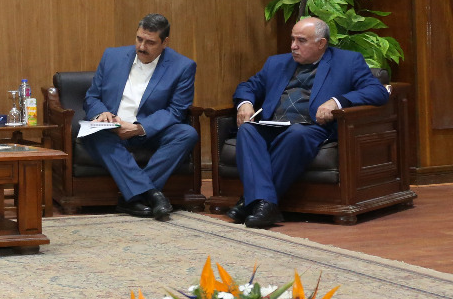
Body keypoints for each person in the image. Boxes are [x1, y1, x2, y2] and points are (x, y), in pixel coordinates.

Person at [228, 16, 389, 229]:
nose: (293, 46)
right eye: (292, 39)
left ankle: (251, 202)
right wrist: (245, 103)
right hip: (272, 124)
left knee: (296, 134)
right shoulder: (276, 63)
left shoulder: (347, 62)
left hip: (312, 127)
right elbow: (248, 86)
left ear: (321, 43)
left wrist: (337, 101)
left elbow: (378, 91)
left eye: (301, 41)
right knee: (247, 129)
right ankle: (263, 205)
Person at [82, 14, 198, 220]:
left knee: (187, 133)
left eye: (150, 42)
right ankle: (151, 194)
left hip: (149, 131)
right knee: (95, 133)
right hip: (111, 130)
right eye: (139, 39)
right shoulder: (112, 56)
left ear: (165, 42)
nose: (142, 47)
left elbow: (176, 110)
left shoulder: (183, 66)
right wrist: (102, 113)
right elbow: (92, 97)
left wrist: (138, 128)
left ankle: (132, 197)